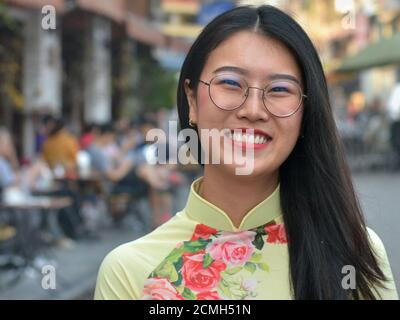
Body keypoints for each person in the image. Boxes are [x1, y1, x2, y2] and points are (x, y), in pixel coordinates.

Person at [95, 5, 398, 300]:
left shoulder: (355, 255)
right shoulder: (129, 272)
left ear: (305, 111)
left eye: (279, 89)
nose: (253, 110)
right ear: (192, 100)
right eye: (229, 83)